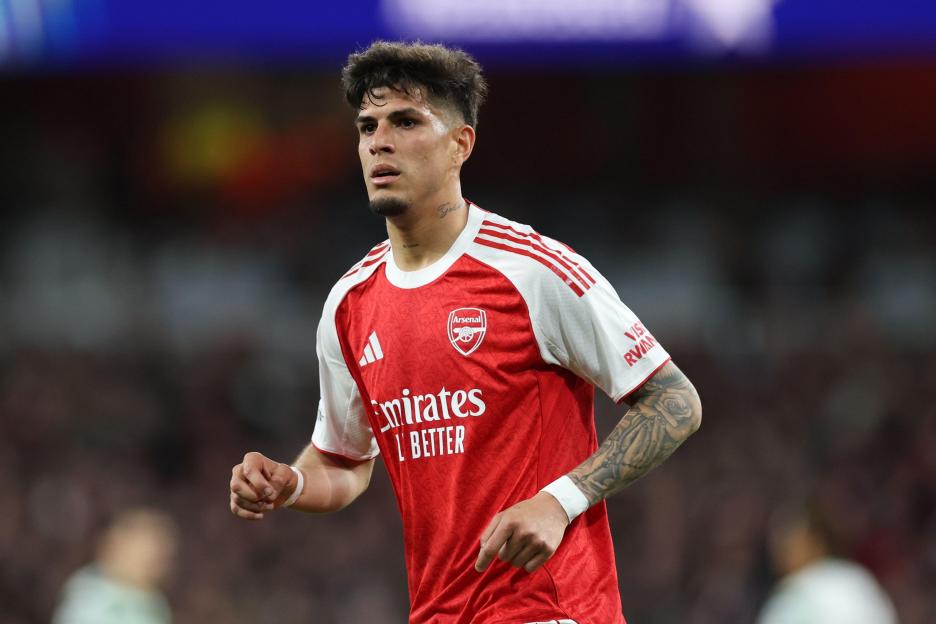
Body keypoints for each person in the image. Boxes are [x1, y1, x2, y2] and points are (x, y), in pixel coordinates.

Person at [229, 41, 702, 623]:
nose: (380, 141)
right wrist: (292, 484)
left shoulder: (531, 270)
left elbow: (675, 402)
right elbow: (345, 463)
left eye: (406, 122)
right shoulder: (350, 304)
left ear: (461, 144)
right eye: (367, 126)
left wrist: (560, 500)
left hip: (549, 609)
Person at [757, 499, 897, 624]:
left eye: (789, 541)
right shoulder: (857, 578)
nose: (781, 550)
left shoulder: (794, 593)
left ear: (816, 541)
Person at [52, 508, 178, 624]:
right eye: (150, 557)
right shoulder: (90, 605)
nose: (160, 562)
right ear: (115, 545)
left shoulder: (154, 603)